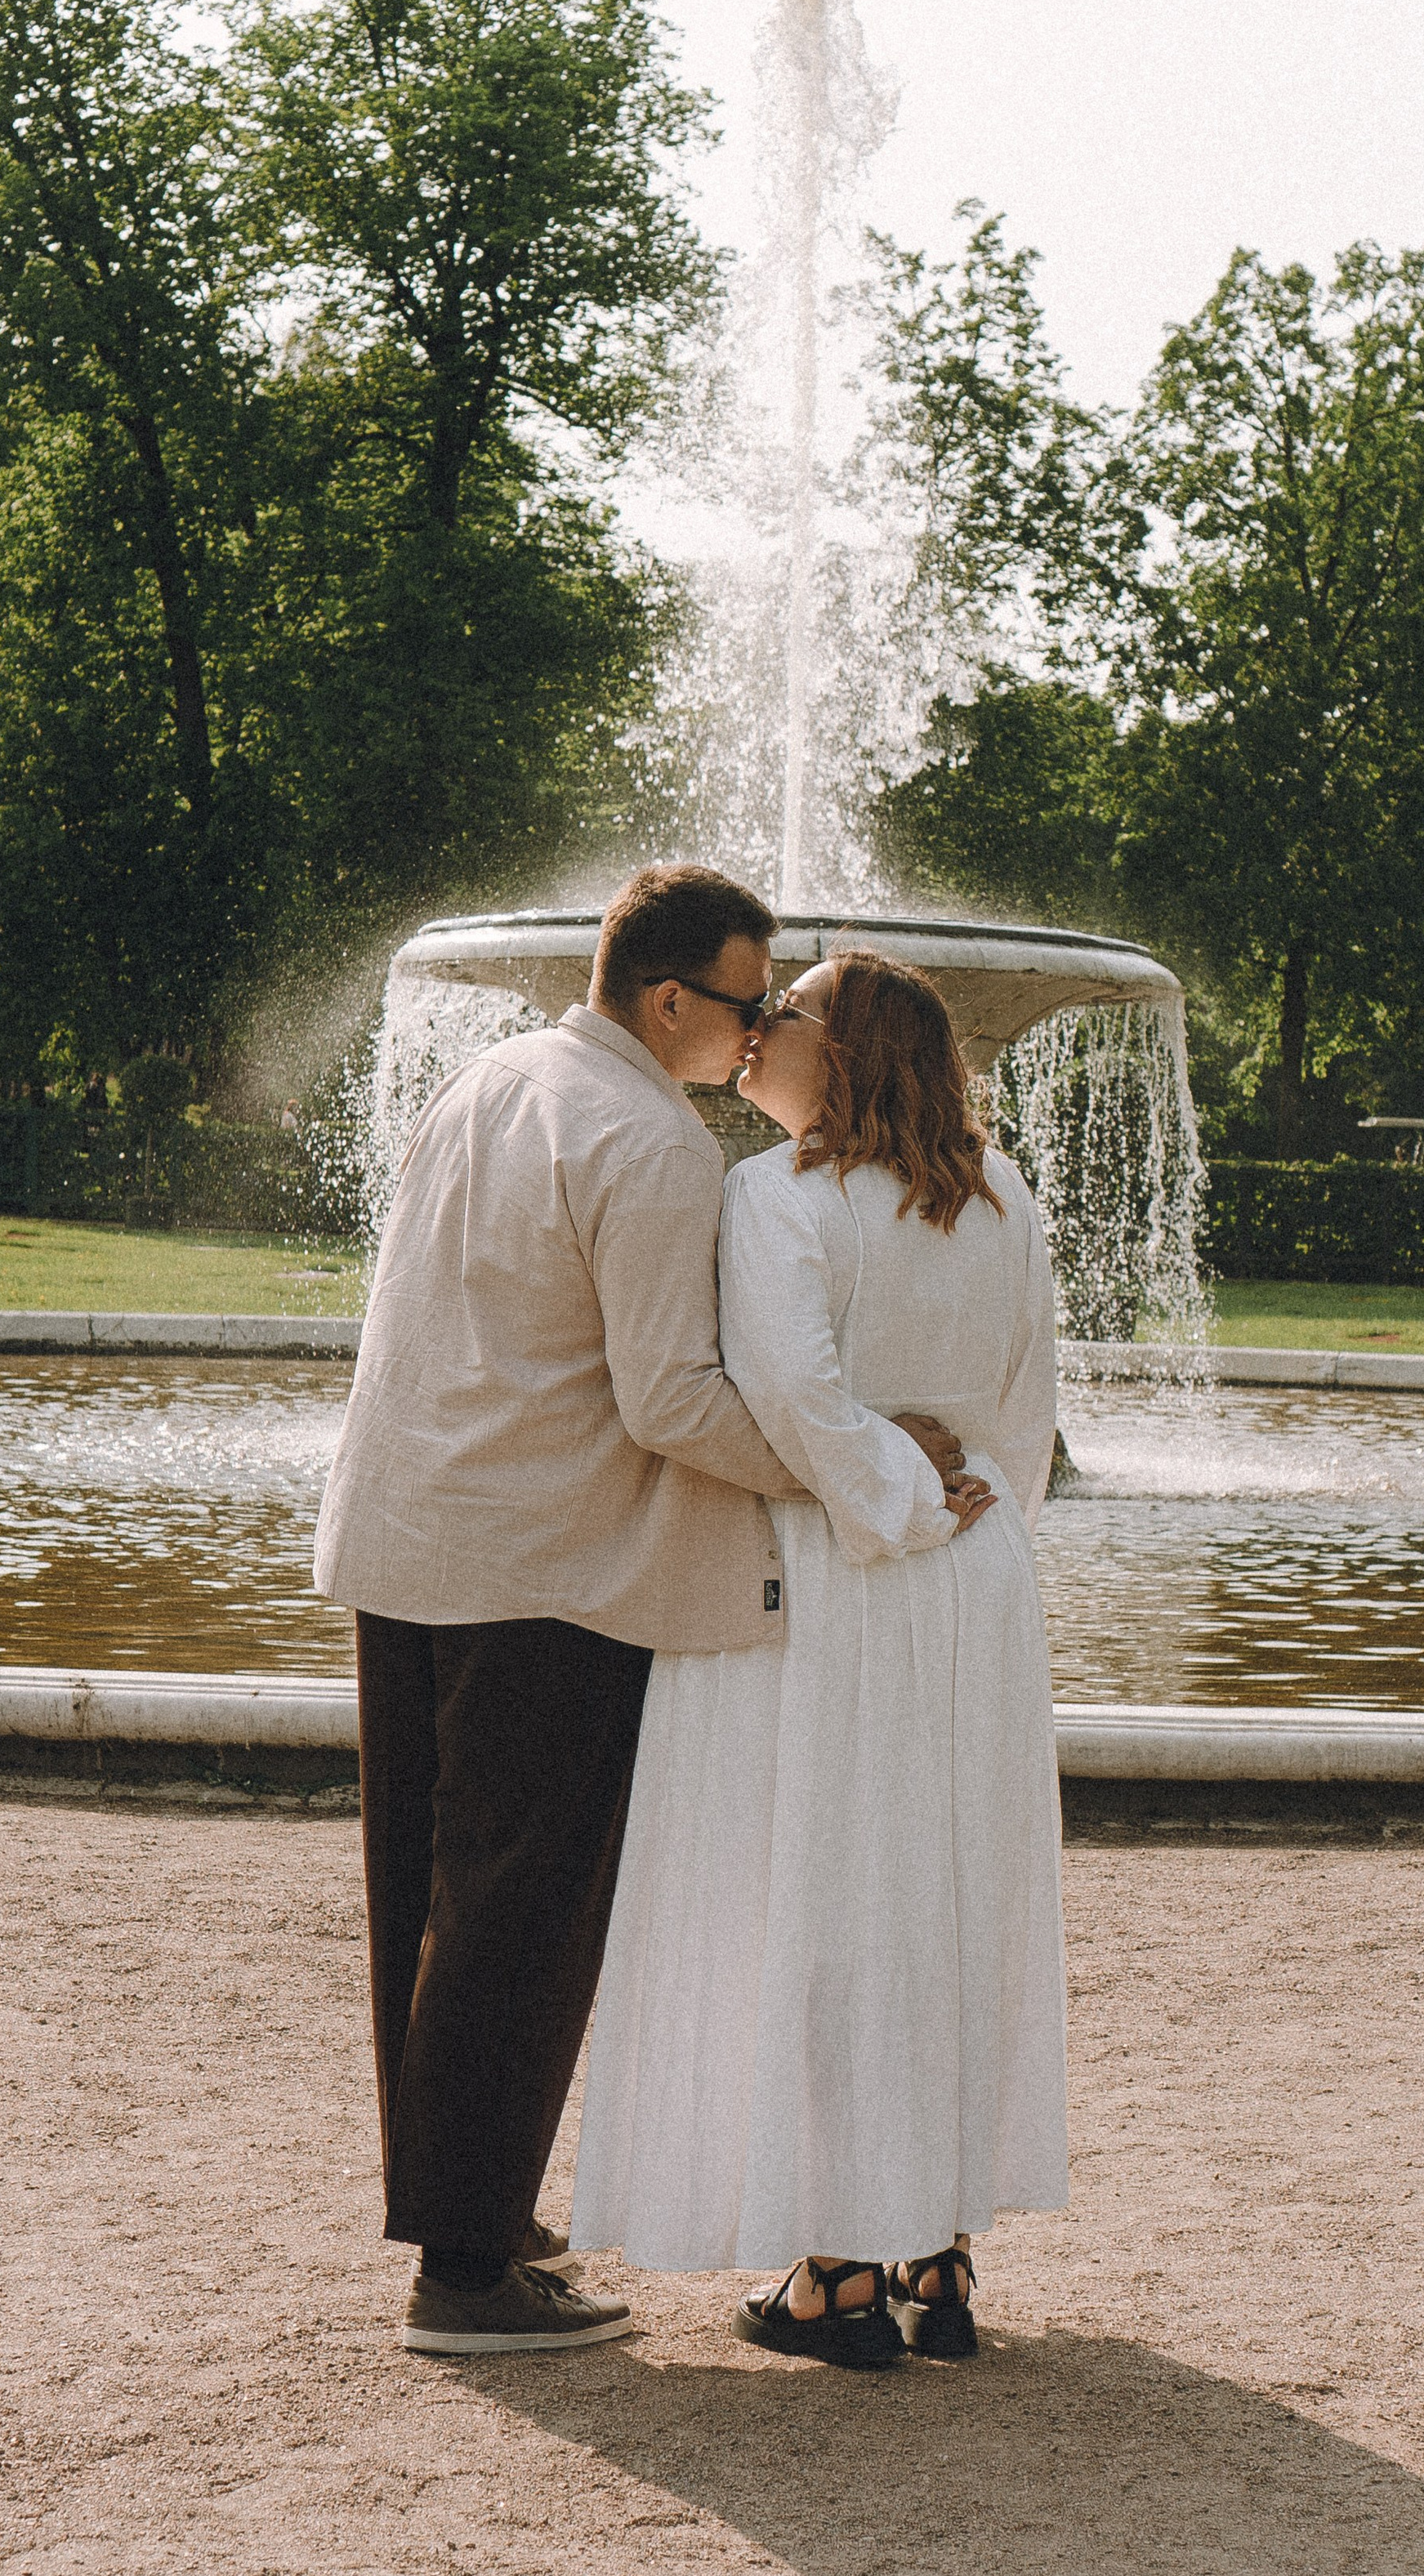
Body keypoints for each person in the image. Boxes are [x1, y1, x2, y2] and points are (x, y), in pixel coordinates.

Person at [315, 866, 972, 2361]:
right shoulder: (657, 1142)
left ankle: (467, 2211)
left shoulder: (492, 1079)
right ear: (671, 999)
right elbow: (671, 1400)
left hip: (405, 1539)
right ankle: (465, 2270)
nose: (760, 1031)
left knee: (426, 1900)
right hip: (543, 1569)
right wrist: (863, 1463)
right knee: (523, 1913)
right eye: (748, 1002)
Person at [569, 950, 1069, 2368]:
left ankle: (841, 2267)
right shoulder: (1001, 1193)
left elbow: (790, 1392)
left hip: (839, 1572)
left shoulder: (775, 1195)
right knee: (946, 1891)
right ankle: (937, 2244)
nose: (757, 1027)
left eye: (784, 1011)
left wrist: (897, 1504)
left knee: (829, 1893)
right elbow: (1024, 1409)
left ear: (838, 1050)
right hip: (975, 1573)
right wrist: (967, 1509)